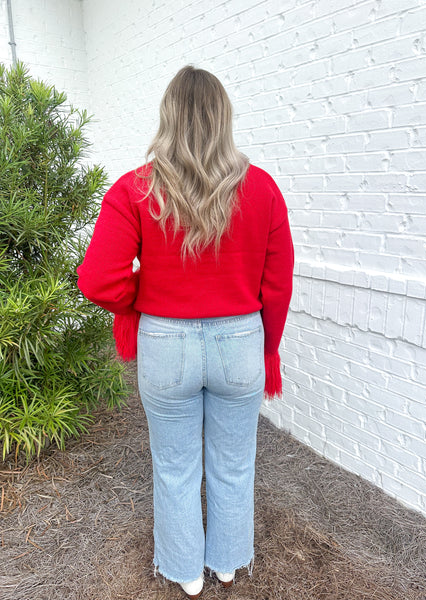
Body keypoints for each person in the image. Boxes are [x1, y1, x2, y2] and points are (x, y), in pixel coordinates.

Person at [76, 65, 294, 599]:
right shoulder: (262, 189)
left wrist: (144, 302)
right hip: (240, 342)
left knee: (174, 466)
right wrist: (267, 348)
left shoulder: (135, 190)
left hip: (165, 343)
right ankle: (226, 563)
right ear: (223, 120)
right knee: (234, 462)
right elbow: (278, 284)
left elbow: (98, 281)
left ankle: (186, 573)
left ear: (167, 118)